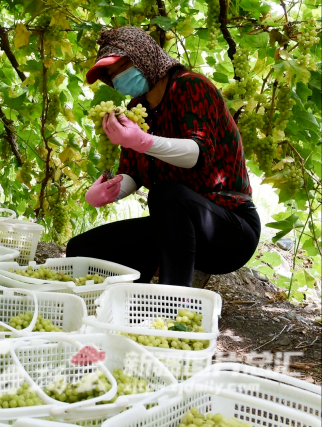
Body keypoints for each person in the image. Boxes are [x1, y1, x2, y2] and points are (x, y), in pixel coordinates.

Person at [66, 26, 260, 287]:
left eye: (122, 66)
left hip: (230, 228)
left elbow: (198, 153)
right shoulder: (137, 108)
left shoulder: (191, 86)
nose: (118, 77)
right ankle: (128, 305)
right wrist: (110, 191)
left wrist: (143, 141)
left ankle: (173, 303)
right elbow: (133, 172)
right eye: (111, 74)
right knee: (82, 249)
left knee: (167, 194)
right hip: (172, 227)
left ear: (143, 56)